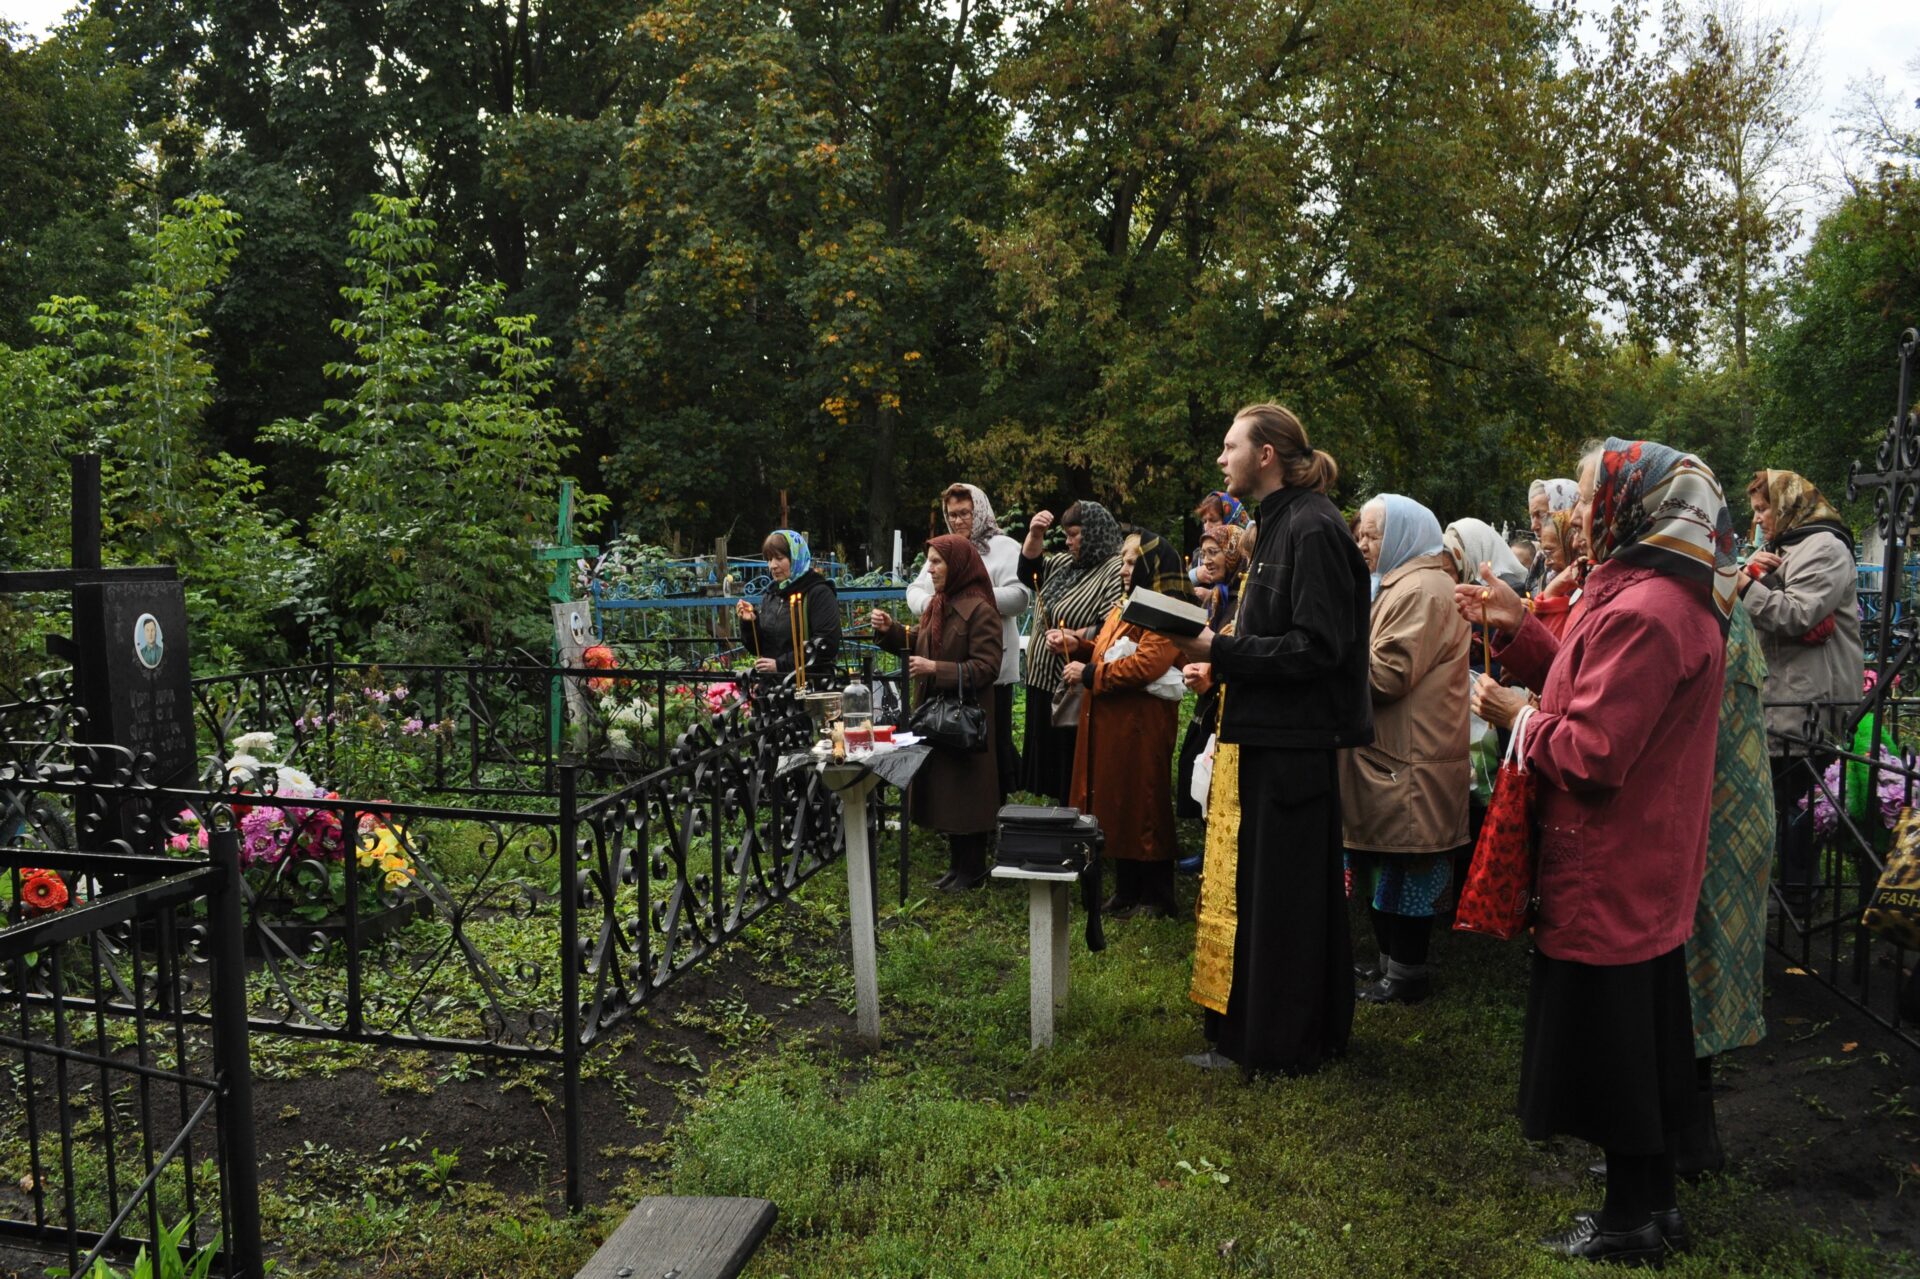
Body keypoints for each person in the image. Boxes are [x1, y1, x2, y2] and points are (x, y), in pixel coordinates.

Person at [1464, 438, 1735, 1265]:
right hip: (1638, 865)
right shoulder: (1658, 597)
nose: (1578, 513)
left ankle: (1627, 1221)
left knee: (1617, 1054)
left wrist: (1519, 719)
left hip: (1608, 865)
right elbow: (1596, 690)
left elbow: (1594, 750)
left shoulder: (1643, 610)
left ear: (1637, 504)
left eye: (1588, 496)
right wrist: (1526, 634)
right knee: (1645, 1045)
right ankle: (1653, 1206)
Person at [1173, 402, 1371, 1079]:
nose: (1221, 459)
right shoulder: (1280, 524)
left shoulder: (1312, 529)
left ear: (1267, 455)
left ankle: (1281, 1044)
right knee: (1265, 893)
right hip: (1266, 736)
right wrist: (1219, 660)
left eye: (1231, 446)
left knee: (1282, 900)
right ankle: (1267, 1031)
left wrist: (1224, 651)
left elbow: (1319, 647)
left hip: (1293, 747)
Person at [1345, 495, 1470, 1005]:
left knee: (1409, 869)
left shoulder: (1417, 589)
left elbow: (1389, 675)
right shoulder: (1406, 582)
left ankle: (1407, 974)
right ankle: (1390, 967)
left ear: (1402, 535)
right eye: (1362, 533)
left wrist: (1331, 656)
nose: (1363, 543)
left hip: (1410, 757)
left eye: (1373, 534)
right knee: (1390, 866)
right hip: (1401, 754)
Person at [1738, 469, 1863, 917]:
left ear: (1789, 504)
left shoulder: (1825, 548)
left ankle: (1799, 897)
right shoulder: (1781, 546)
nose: (1758, 522)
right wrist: (1750, 573)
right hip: (1780, 694)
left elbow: (1797, 614)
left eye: (1763, 509)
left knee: (1800, 801)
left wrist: (1744, 585)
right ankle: (1787, 891)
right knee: (1779, 797)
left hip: (1810, 697)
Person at [871, 535, 1004, 889]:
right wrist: (891, 633)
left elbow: (988, 667)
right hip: (938, 716)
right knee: (949, 793)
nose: (929, 569)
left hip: (965, 717)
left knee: (967, 792)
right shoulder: (937, 605)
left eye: (936, 562)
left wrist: (937, 670)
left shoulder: (980, 609)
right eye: (928, 562)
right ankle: (957, 866)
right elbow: (923, 643)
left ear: (958, 564)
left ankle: (973, 868)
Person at [1062, 534, 1183, 918]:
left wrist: (1090, 672)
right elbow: (1104, 647)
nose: (1125, 570)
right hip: (1115, 723)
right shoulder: (1125, 606)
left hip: (1142, 725)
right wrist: (1078, 646)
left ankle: (1157, 895)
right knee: (1119, 802)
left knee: (1145, 802)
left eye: (1133, 562)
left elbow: (1148, 664)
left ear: (1152, 565)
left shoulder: (1165, 610)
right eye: (1124, 562)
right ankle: (1127, 889)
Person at [907, 484, 1032, 801]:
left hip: (990, 663)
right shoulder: (946, 549)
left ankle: (997, 806)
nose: (958, 520)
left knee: (993, 738)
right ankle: (958, 805)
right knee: (954, 735)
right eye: (952, 514)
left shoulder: (1003, 547)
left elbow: (1019, 596)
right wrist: (939, 605)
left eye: (965, 513)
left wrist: (970, 601)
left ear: (979, 510)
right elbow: (915, 591)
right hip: (948, 659)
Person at [1019, 501, 1127, 803]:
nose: (1067, 541)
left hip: (1072, 681)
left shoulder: (1113, 569)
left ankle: (1075, 821)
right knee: (1052, 764)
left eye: (1074, 534)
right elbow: (1029, 572)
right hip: (1043, 678)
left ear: (1094, 533)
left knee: (1069, 762)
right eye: (1065, 534)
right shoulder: (1065, 563)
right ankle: (1060, 816)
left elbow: (1111, 625)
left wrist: (1075, 637)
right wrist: (1035, 533)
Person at [1176, 527, 1247, 842]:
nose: (1207, 561)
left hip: (1229, 704)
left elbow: (1235, 651)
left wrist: (1212, 670)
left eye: (1214, 552)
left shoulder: (1239, 598)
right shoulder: (1216, 596)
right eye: (1203, 554)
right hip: (1210, 702)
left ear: (1233, 553)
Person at [735, 530, 841, 685]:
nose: (772, 566)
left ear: (795, 558)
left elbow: (826, 645)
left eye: (779, 558)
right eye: (769, 559)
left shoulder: (818, 592)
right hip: (773, 691)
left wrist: (780, 665)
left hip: (809, 687)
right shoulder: (772, 594)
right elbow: (761, 648)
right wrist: (749, 623)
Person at [1526, 477, 1579, 594]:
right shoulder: (1541, 563)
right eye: (1532, 516)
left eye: (1541, 515)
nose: (1533, 526)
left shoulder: (1586, 573)